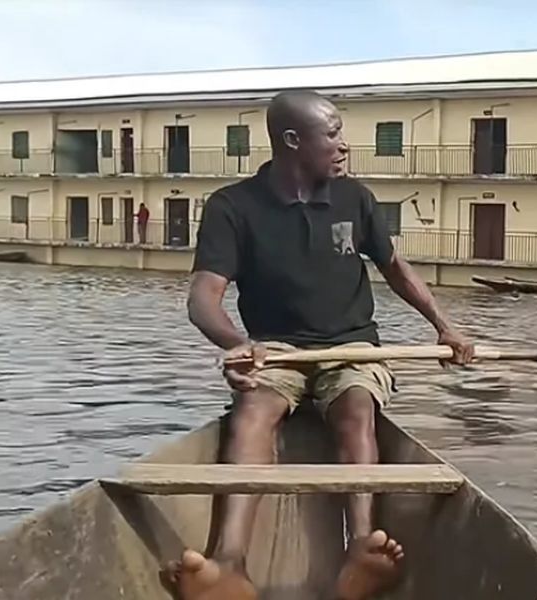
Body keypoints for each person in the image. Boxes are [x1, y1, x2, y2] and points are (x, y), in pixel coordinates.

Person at [162, 89, 474, 600]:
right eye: (331, 134)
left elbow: (394, 268)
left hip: (351, 346)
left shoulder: (355, 197)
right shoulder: (233, 206)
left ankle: (360, 554)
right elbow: (203, 297)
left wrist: (444, 325)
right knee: (252, 412)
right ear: (291, 141)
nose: (343, 145)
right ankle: (229, 565)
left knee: (355, 408)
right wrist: (236, 344)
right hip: (276, 350)